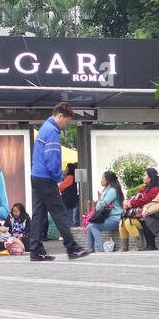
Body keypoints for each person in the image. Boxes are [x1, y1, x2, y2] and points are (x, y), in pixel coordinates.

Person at [24, 103, 86, 261]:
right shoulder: (51, 131)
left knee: (39, 214)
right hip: (46, 178)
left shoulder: (44, 128)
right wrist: (58, 178)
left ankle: (35, 251)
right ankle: (72, 248)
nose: (66, 125)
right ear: (60, 115)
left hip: (36, 176)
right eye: (66, 121)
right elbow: (52, 158)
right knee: (60, 213)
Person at [120, 168, 159, 251]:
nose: (143, 177)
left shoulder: (155, 189)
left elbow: (145, 200)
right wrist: (126, 202)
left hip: (148, 217)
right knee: (122, 222)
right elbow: (134, 197)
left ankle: (138, 246)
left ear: (150, 177)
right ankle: (124, 247)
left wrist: (130, 204)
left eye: (145, 175)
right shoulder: (143, 188)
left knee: (129, 222)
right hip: (139, 216)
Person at [84, 170, 125, 253]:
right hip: (108, 218)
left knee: (93, 226)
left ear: (108, 180)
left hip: (115, 218)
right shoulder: (106, 190)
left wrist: (99, 202)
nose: (101, 180)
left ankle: (100, 249)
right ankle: (91, 249)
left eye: (103, 178)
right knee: (89, 227)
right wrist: (100, 202)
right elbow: (100, 204)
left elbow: (101, 205)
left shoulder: (112, 190)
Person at [59, 162, 80, 228]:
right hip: (71, 200)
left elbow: (61, 187)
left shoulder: (70, 177)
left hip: (68, 201)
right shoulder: (73, 178)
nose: (65, 170)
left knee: (69, 217)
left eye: (67, 168)